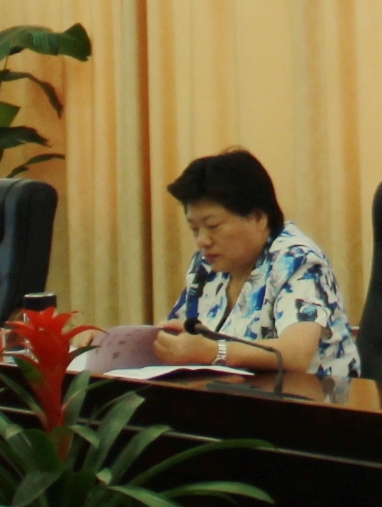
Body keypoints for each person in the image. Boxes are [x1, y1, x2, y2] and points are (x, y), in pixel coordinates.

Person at [154, 149, 359, 383]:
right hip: (230, 394)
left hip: (315, 398)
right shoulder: (206, 267)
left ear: (258, 218)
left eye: (212, 226)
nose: (202, 240)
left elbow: (297, 354)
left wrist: (215, 352)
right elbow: (182, 335)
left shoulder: (297, 260)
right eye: (194, 229)